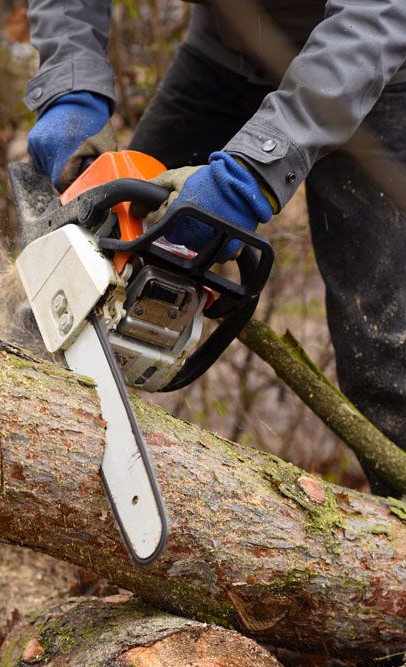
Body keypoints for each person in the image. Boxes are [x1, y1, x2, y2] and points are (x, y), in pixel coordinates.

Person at [23, 0, 406, 495]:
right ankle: (16, 470)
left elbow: (377, 13)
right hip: (226, 51)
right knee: (94, 255)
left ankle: (393, 548)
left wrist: (251, 175)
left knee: (384, 351)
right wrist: (69, 85)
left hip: (371, 63)